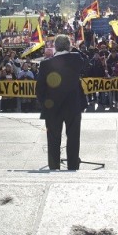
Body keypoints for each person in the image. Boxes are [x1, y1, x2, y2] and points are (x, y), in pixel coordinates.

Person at [36, 34, 86, 171]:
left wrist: (46, 104)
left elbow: (39, 89)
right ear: (69, 46)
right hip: (73, 107)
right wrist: (74, 49)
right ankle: (73, 166)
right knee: (74, 139)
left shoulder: (45, 64)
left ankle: (54, 167)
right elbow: (86, 61)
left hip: (52, 109)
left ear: (55, 47)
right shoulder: (76, 59)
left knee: (53, 141)